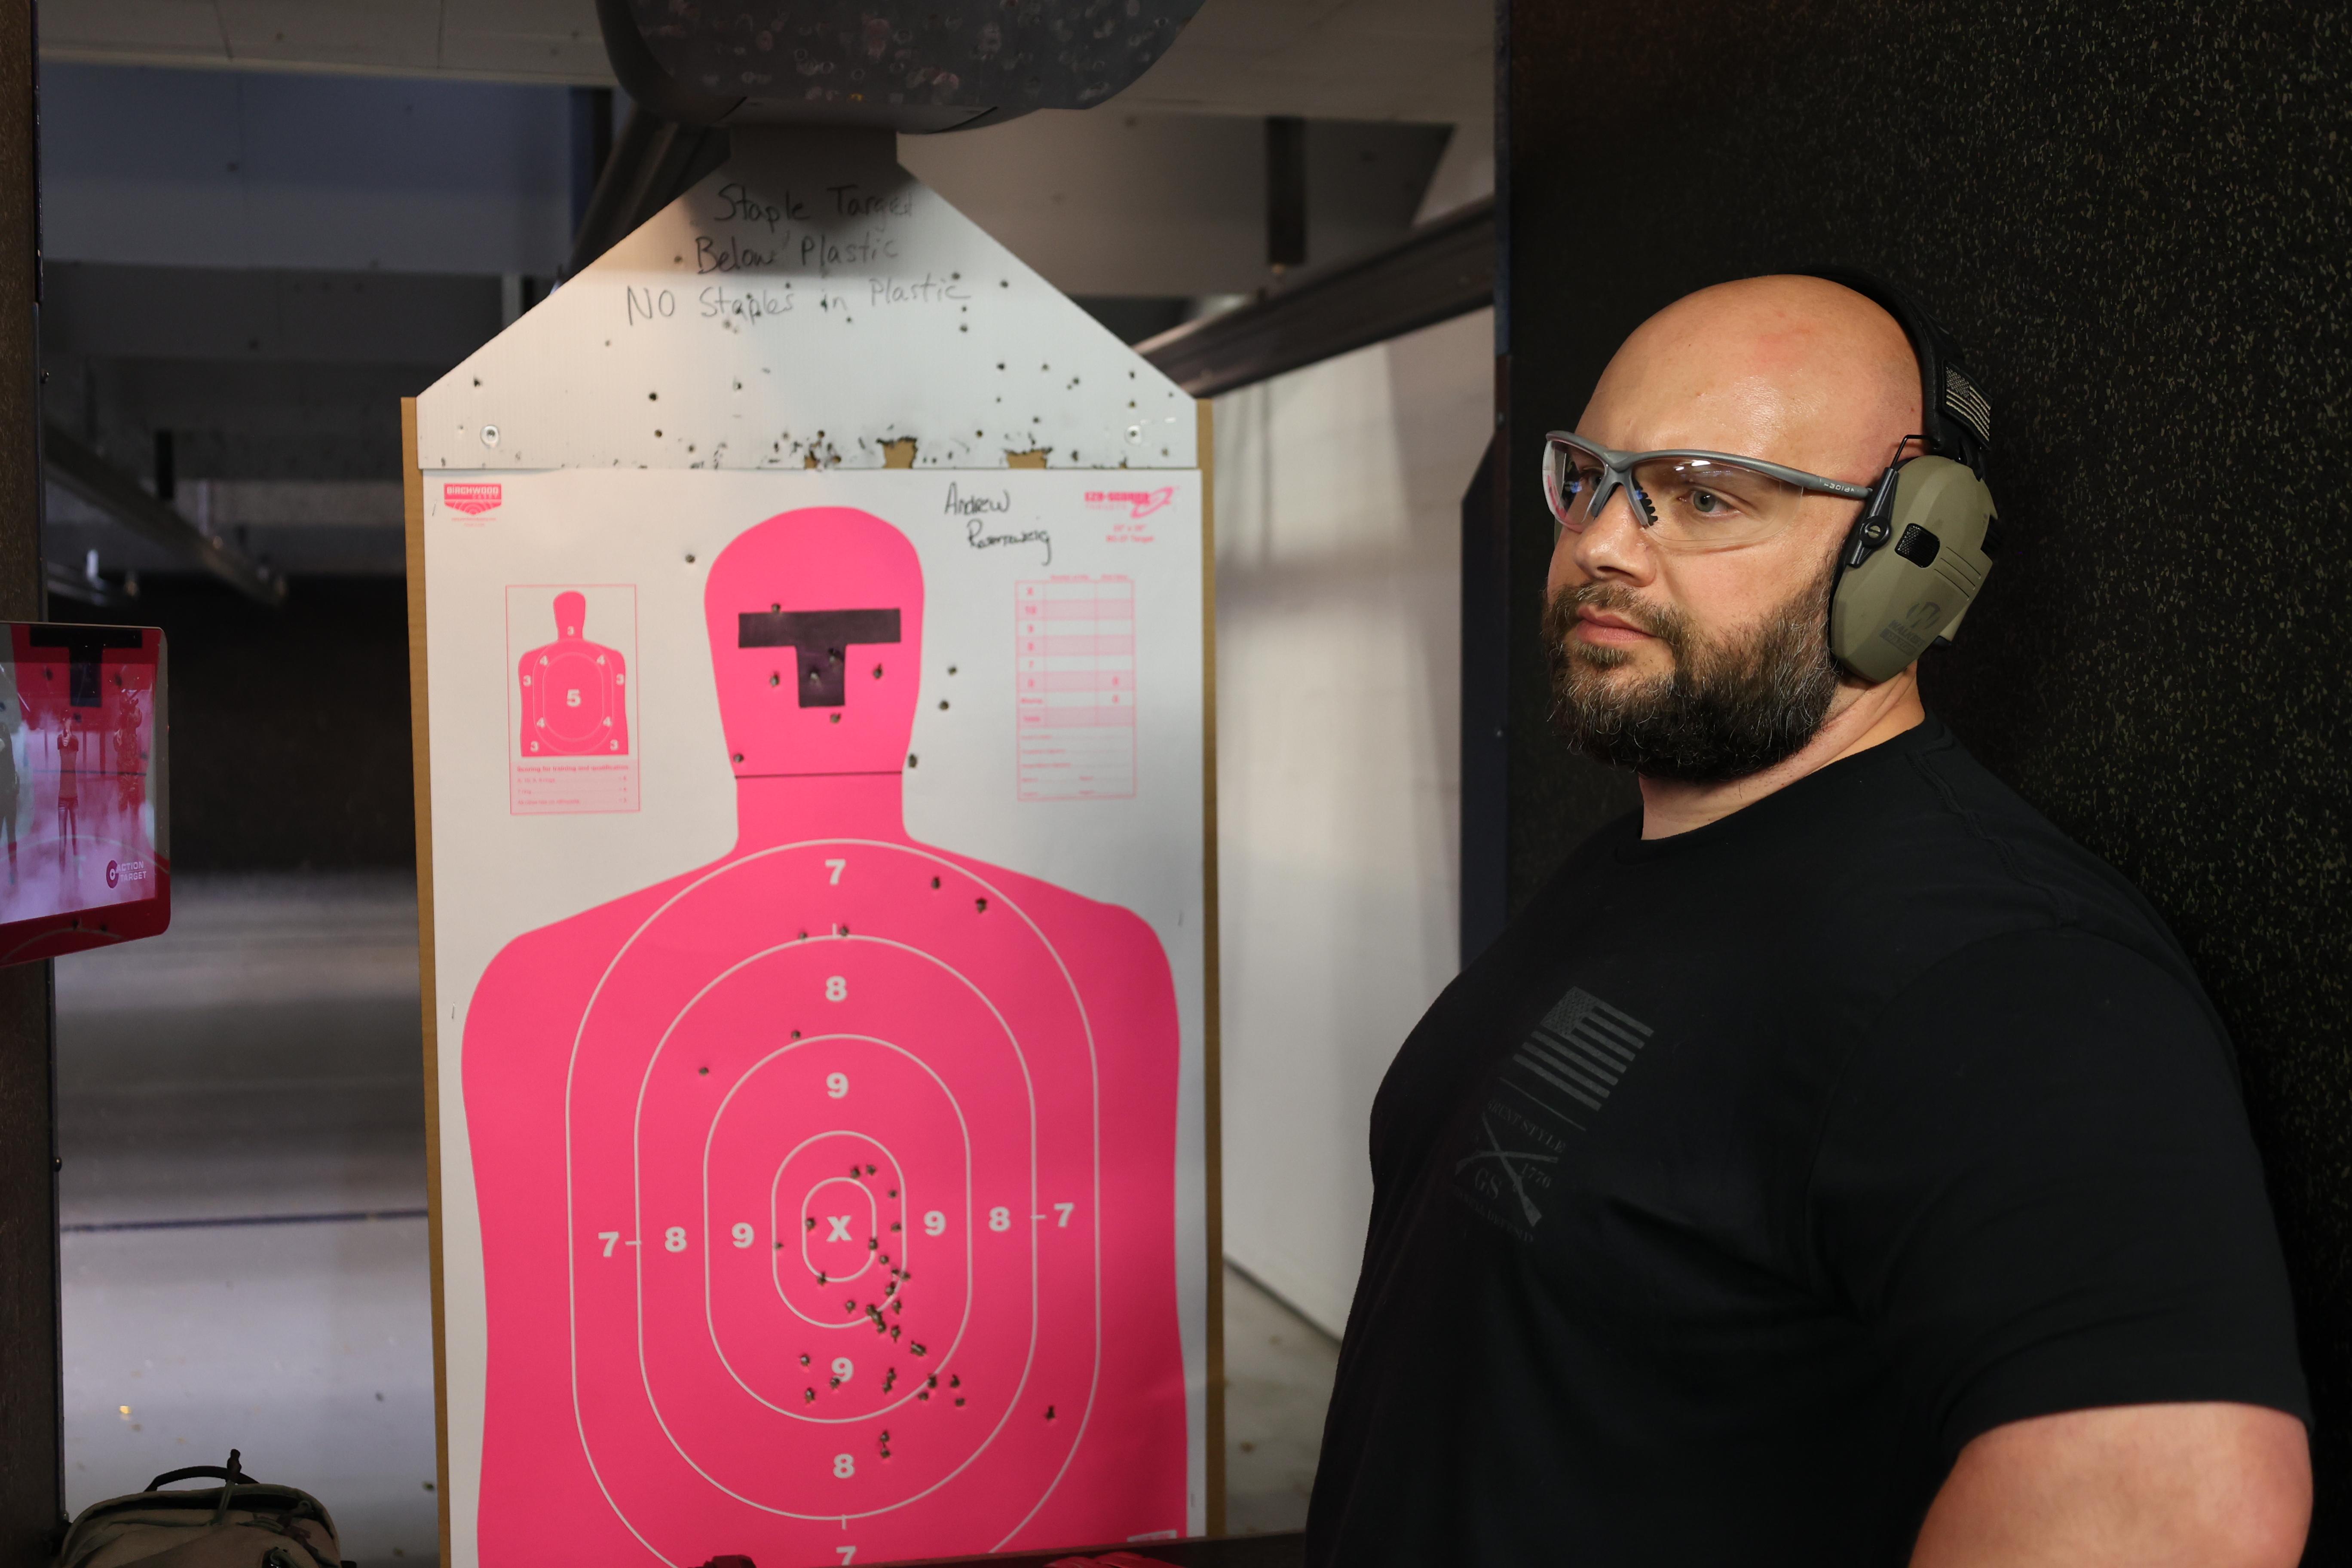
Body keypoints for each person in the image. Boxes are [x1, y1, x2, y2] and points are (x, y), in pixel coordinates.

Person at [1303, 275, 2311, 1567]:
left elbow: (2184, 1513)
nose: (1605, 542)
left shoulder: (2005, 973)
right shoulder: (1643, 860)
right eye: (1592, 479)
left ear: (1913, 553)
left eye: (1707, 493)